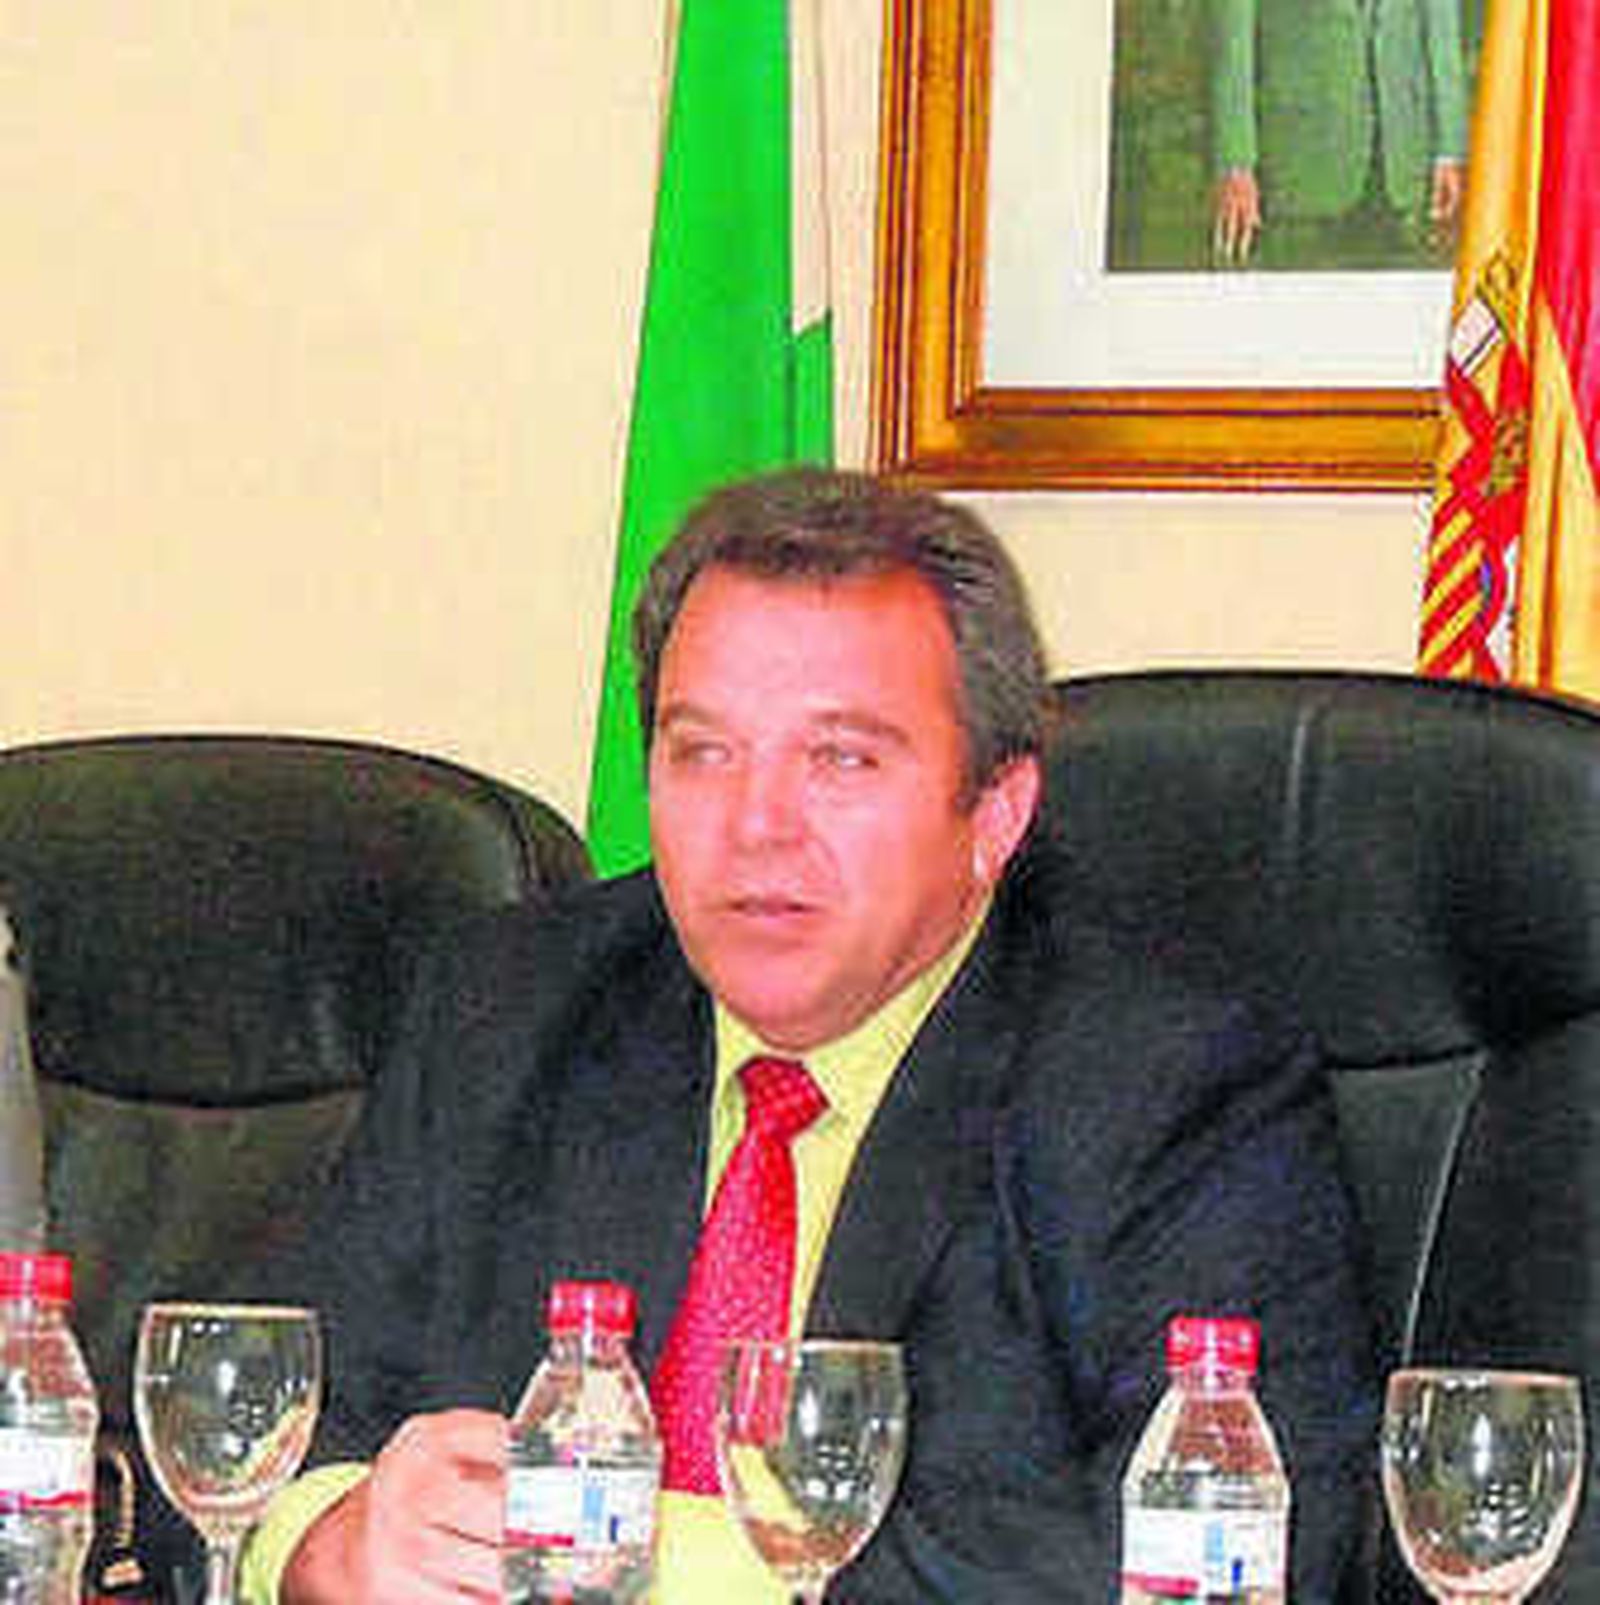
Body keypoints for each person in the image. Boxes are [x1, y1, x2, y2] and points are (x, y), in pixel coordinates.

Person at [242, 468, 1376, 1603]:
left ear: (994, 815)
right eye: (703, 751)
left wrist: (641, 1558)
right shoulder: (508, 1010)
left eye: (840, 758)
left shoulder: (1172, 1085)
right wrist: (327, 1541)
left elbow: (1236, 1552)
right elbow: (246, 1402)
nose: (757, 826)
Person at [1209, 0, 1470, 269]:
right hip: (1302, 172)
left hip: (1404, 168)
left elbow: (1444, 31)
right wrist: (1235, 162)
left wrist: (1451, 150)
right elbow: (1232, 41)